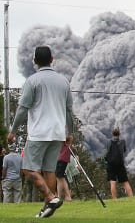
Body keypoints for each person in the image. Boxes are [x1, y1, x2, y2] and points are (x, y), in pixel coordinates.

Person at [7, 45, 74, 218]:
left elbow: (22, 109)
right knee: (49, 170)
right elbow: (68, 111)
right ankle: (47, 208)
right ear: (52, 59)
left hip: (39, 133)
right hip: (58, 133)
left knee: (28, 169)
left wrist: (13, 131)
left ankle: (51, 198)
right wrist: (70, 133)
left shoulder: (33, 81)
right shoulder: (63, 81)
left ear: (35, 61)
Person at [105, 128, 134, 199]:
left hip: (111, 164)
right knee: (125, 182)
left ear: (112, 134)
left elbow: (106, 152)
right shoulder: (123, 142)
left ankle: (115, 199)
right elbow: (124, 150)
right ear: (119, 134)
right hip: (120, 164)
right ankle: (131, 198)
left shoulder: (109, 142)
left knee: (112, 182)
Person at [55, 135, 75, 201]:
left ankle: (63, 196)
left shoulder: (64, 142)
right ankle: (63, 196)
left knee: (60, 178)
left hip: (60, 160)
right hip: (64, 160)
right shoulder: (69, 144)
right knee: (61, 178)